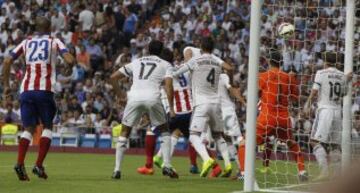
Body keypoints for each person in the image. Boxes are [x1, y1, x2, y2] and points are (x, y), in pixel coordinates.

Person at [2, 16, 75, 181]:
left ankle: (20, 163)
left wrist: (6, 85)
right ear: (49, 27)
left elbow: (7, 61)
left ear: (35, 28)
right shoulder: (54, 41)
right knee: (47, 127)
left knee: (29, 128)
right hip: (44, 89)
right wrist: (71, 62)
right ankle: (38, 165)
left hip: (26, 90)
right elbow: (69, 59)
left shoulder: (26, 41)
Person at [110, 40, 178, 180]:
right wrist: (171, 107)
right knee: (164, 130)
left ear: (148, 49)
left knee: (124, 132)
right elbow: (169, 86)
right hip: (153, 97)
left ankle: (117, 170)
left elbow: (113, 77)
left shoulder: (136, 61)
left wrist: (120, 95)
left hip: (134, 97)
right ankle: (166, 165)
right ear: (161, 51)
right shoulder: (166, 64)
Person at [237, 49, 308, 181]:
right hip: (283, 118)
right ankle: (302, 171)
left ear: (269, 61)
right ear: (281, 62)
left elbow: (255, 94)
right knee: (292, 144)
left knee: (244, 144)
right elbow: (295, 98)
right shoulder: (289, 77)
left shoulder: (263, 76)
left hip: (267, 117)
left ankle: (243, 173)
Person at [173, 37, 233, 177]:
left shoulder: (195, 60)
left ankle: (206, 160)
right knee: (218, 136)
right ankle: (228, 164)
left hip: (201, 103)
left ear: (200, 47)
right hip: (216, 103)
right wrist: (230, 80)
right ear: (212, 48)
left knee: (193, 136)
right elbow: (229, 68)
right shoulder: (216, 60)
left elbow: (177, 73)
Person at [304, 52, 352, 180]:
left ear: (325, 62)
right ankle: (337, 175)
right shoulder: (342, 75)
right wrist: (346, 79)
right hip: (337, 111)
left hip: (325, 110)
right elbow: (344, 93)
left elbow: (314, 91)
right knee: (335, 145)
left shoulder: (321, 73)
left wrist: (307, 104)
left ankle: (324, 171)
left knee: (314, 141)